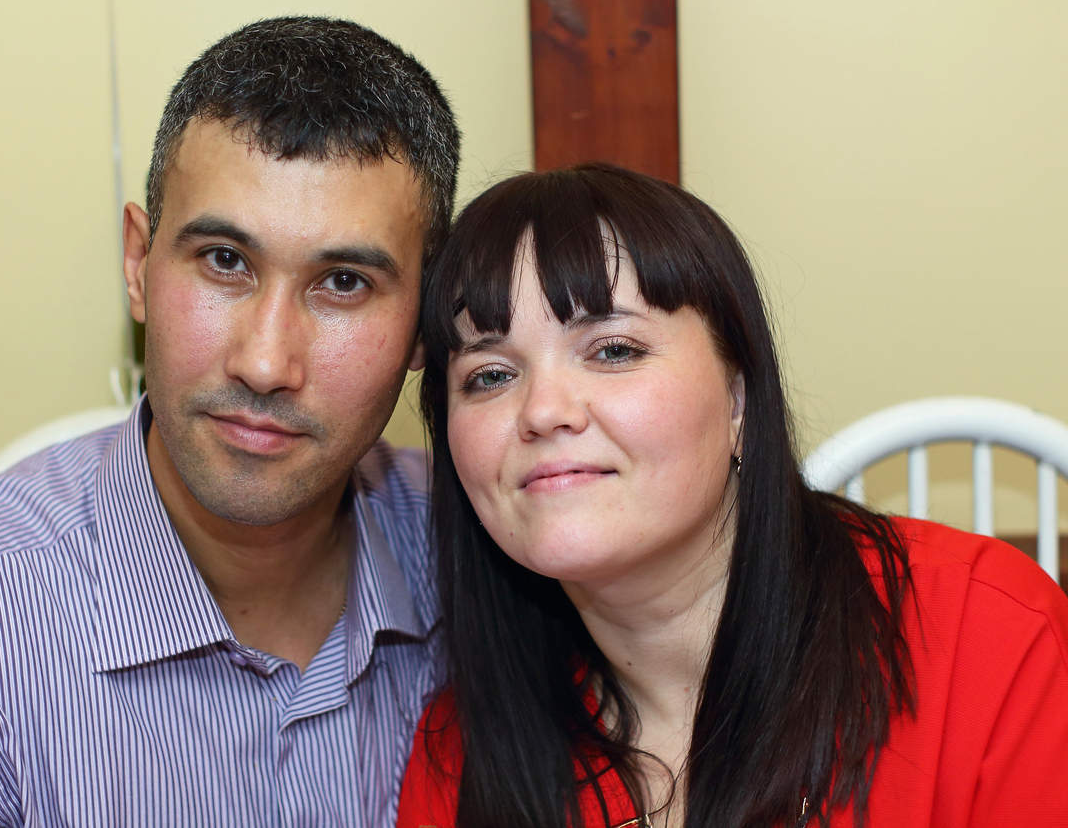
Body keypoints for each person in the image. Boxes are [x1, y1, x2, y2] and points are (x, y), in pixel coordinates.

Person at [0, 17, 459, 825]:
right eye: (224, 261)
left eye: (344, 281)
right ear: (138, 264)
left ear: (426, 320)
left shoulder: (491, 562)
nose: (264, 362)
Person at [397, 163, 1068, 827]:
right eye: (490, 375)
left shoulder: (988, 636)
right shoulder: (458, 762)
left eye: (614, 350)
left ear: (738, 398)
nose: (543, 410)